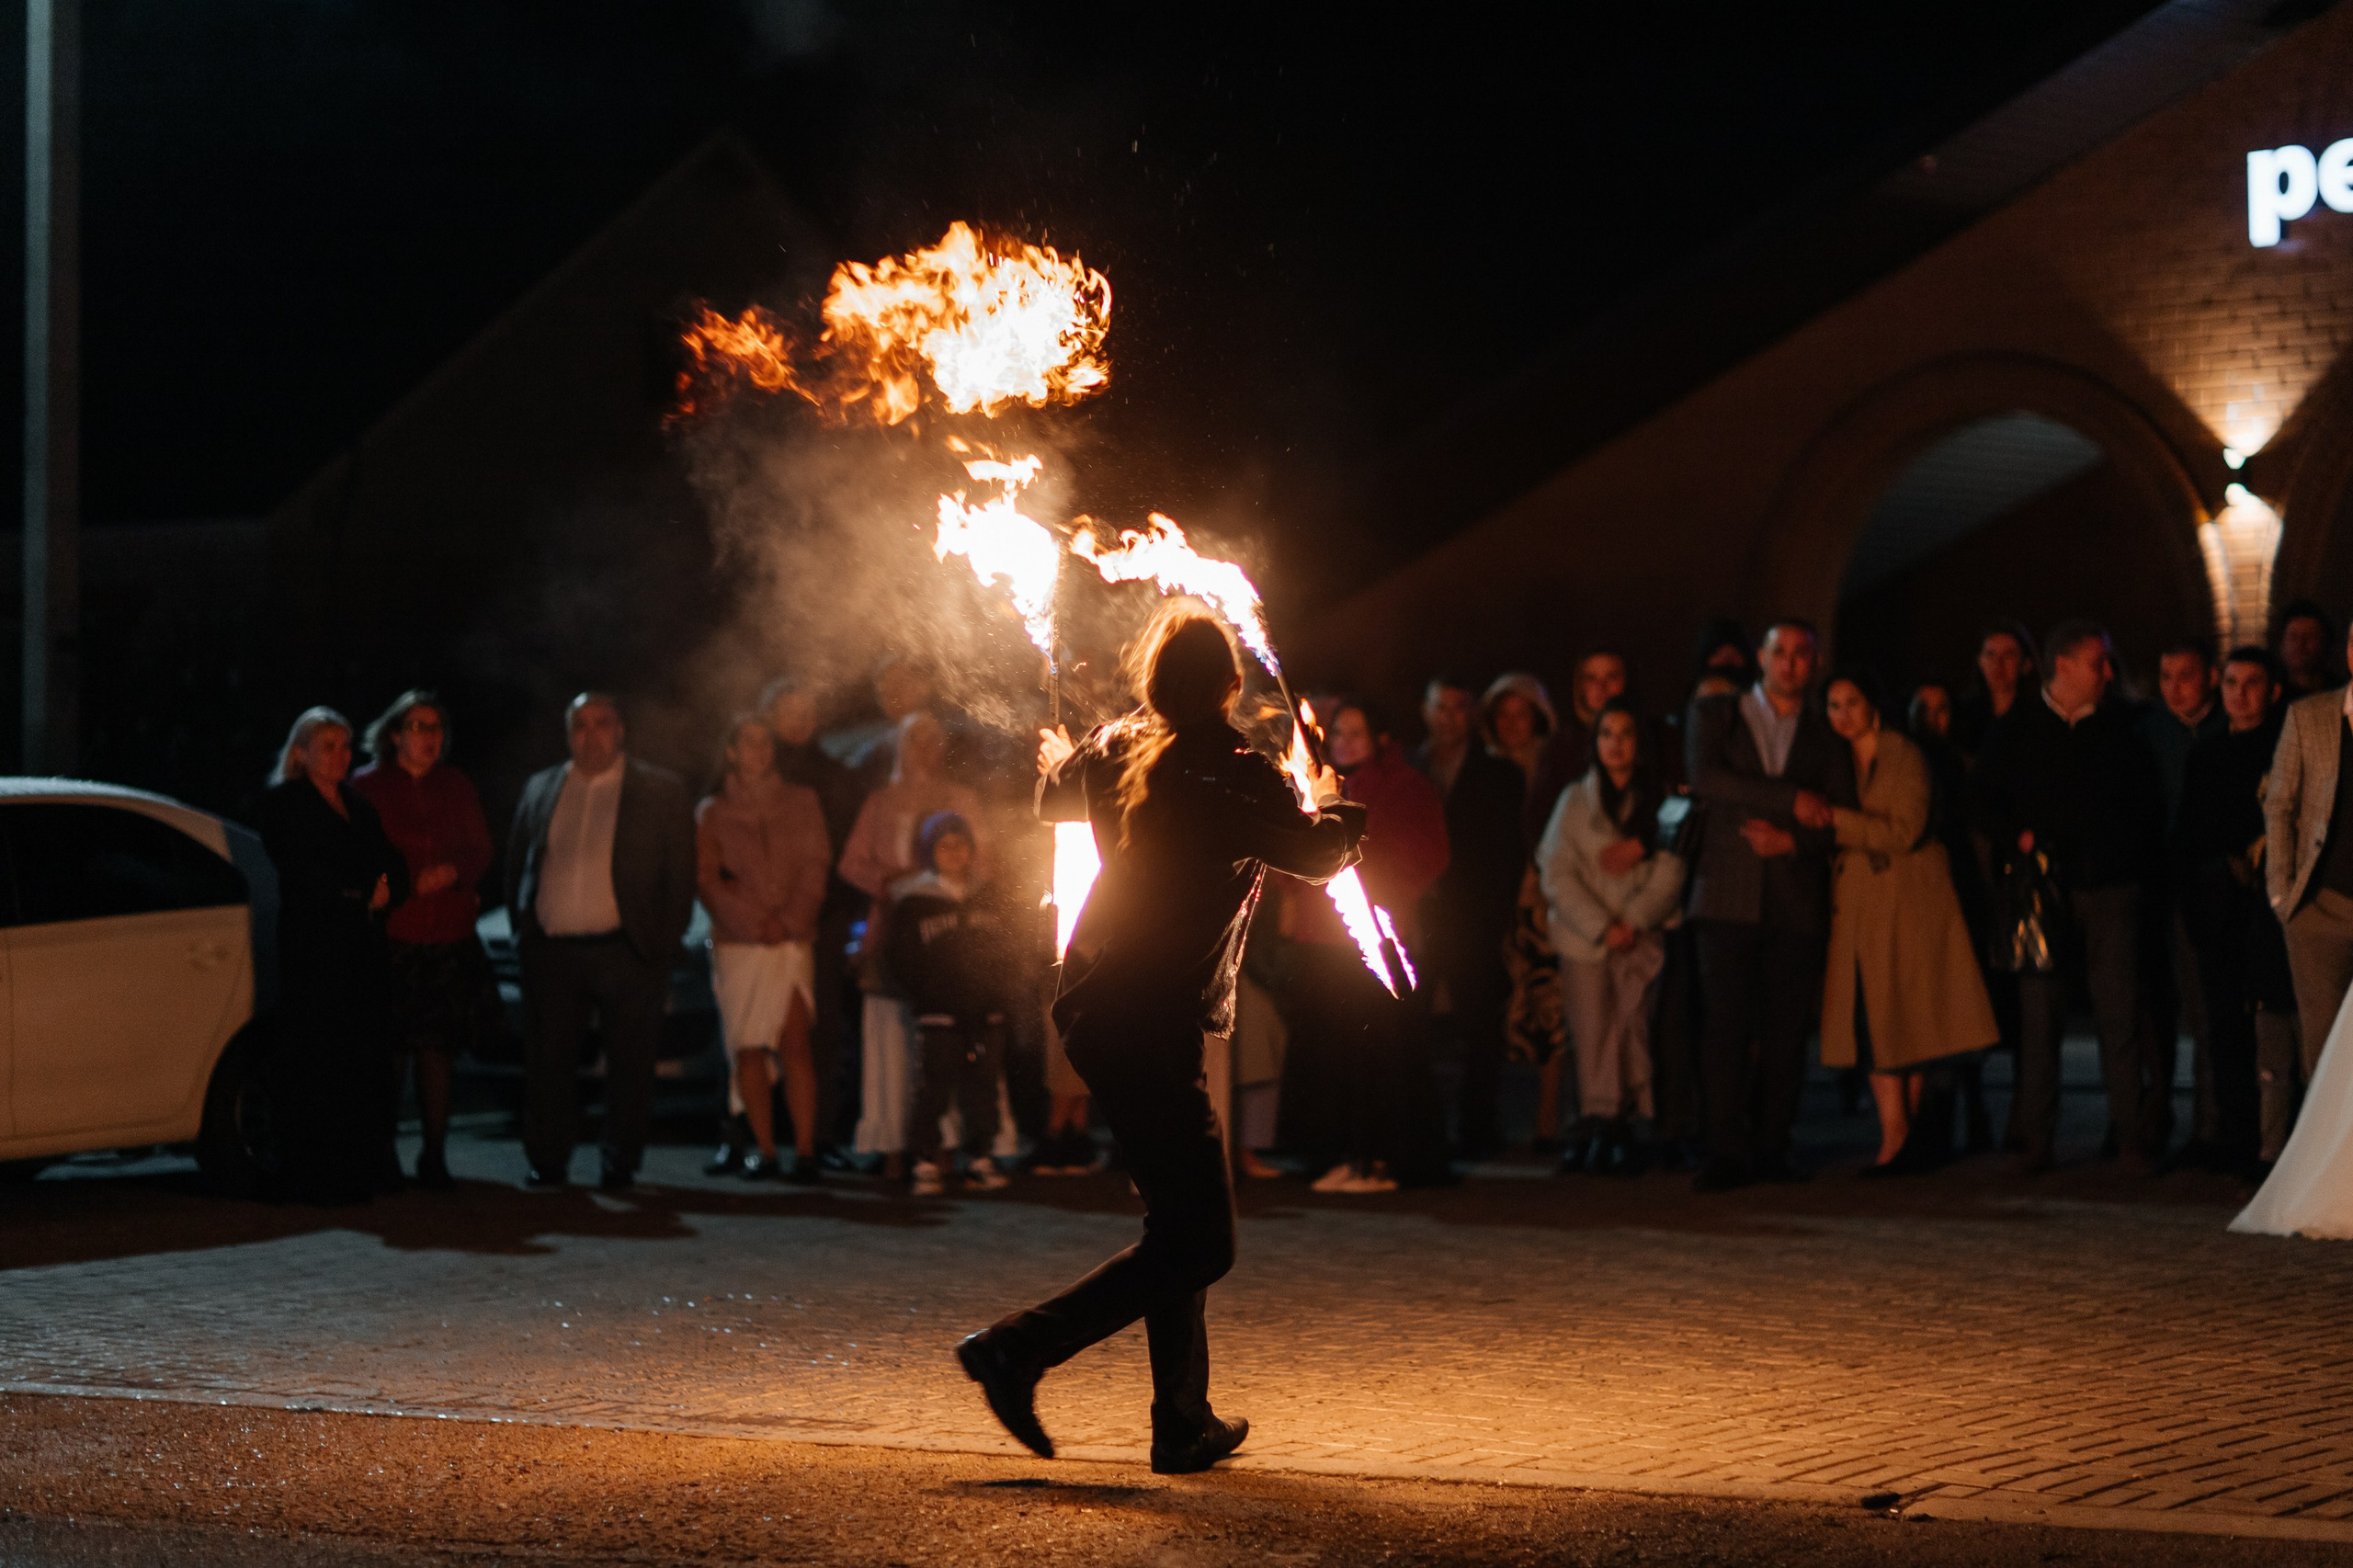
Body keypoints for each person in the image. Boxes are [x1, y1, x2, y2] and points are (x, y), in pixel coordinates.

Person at [956, 608, 1364, 1475]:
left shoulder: (1118, 751)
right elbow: (1322, 857)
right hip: (1144, 1017)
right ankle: (1015, 1349)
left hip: (1109, 1009)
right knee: (1202, 1240)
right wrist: (1330, 796)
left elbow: (1052, 796)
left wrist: (1074, 748)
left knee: (1176, 1218)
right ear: (1228, 687)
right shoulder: (1228, 771)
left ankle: (1182, 1420)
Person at [1974, 621, 2164, 1175]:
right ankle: (2036, 1136)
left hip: (2110, 889)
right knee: (2040, 1019)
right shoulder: (2020, 728)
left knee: (2119, 1014)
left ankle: (2131, 1137)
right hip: (2044, 892)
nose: (2108, 672)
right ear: (2062, 665)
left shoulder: (2121, 729)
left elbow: (2145, 809)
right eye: (2095, 662)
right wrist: (2019, 840)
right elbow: (1981, 799)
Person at [504, 692, 697, 1192]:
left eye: (601, 724)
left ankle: (619, 1162)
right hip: (553, 952)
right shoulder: (543, 786)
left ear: (621, 730)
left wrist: (661, 941)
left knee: (630, 1065)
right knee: (549, 1063)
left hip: (625, 951)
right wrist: (525, 931)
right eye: (580, 726)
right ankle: (547, 1161)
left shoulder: (658, 790)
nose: (591, 736)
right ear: (569, 733)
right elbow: (517, 864)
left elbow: (680, 874)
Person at [1683, 619, 1846, 1191]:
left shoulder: (1827, 733)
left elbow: (1837, 819)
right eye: (1782, 653)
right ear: (1761, 657)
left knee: (1784, 1033)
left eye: (1803, 654)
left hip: (1795, 897)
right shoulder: (1716, 715)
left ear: (1816, 663)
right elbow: (1705, 778)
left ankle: (1774, 1145)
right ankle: (1725, 1150)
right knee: (1724, 1029)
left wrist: (1793, 838)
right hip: (1726, 895)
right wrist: (1789, 799)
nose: (1791, 663)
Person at [1819, 669, 1999, 1172]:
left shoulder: (1902, 754)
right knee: (1877, 1018)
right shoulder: (1835, 760)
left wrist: (1834, 820)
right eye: (1833, 706)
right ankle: (1896, 1133)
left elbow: (1904, 829)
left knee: (1907, 1016)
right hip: (1862, 906)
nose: (1842, 715)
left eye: (1851, 702)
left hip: (1909, 903)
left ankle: (1904, 1134)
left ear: (1873, 704)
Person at [1279, 697, 1449, 1193]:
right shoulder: (1320, 786)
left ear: (1378, 738)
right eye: (1339, 732)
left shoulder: (1405, 788)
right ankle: (1338, 1152)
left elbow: (1425, 855)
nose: (1346, 741)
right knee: (1332, 1050)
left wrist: (1379, 887)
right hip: (1322, 941)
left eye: (1357, 732)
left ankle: (1379, 1157)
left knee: (1380, 1050)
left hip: (1374, 937)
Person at [348, 690, 495, 1192]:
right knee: (390, 1051)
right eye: (417, 727)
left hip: (447, 935)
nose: (428, 737)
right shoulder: (369, 787)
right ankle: (382, 1151)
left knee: (438, 1049)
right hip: (396, 935)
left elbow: (480, 848)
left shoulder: (455, 786)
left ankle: (435, 1155)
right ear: (394, 734)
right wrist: (411, 879)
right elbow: (360, 857)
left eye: (435, 728)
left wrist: (455, 873)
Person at [256, 707, 404, 1205]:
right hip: (316, 950)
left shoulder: (358, 807)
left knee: (359, 1057)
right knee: (315, 1056)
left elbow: (391, 862)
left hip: (361, 951)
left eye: (345, 747)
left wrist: (388, 889)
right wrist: (363, 891)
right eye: (328, 747)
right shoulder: (284, 804)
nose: (342, 757)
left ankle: (360, 1165)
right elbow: (304, 871)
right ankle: (311, 1171)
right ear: (302, 753)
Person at [1536, 697, 1685, 1175]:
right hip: (1587, 939)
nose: (1615, 745)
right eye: (1606, 734)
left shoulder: (1660, 800)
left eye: (1625, 734)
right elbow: (1556, 869)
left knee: (1634, 1026)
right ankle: (1598, 1121)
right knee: (1592, 1029)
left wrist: (1635, 921)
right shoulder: (1574, 800)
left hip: (1641, 935)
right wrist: (1602, 925)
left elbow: (1671, 867)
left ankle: (1636, 1120)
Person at [838, 710, 985, 1179]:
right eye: (914, 739)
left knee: (945, 1042)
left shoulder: (961, 798)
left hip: (948, 933)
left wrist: (942, 881)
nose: (924, 747)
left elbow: (986, 863)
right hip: (895, 929)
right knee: (891, 1038)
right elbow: (851, 863)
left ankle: (944, 1143)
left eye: (932, 738)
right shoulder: (882, 801)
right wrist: (897, 882)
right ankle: (893, 1143)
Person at [697, 713, 833, 1183]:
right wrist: (756, 922)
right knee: (749, 1046)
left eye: (765, 742)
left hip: (790, 942)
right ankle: (766, 1150)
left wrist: (790, 920)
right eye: (748, 743)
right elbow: (708, 881)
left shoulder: (802, 802)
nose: (760, 750)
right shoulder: (712, 812)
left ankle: (807, 1149)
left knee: (795, 1042)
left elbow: (816, 865)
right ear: (732, 751)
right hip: (741, 944)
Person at [2177, 648, 2293, 1175]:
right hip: (2219, 911)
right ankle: (2236, 1135)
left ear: (2272, 691)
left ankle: (2277, 1140)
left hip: (2270, 912)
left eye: (2252, 683)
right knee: (2223, 1025)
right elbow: (2189, 833)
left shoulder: (2285, 748)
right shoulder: (2205, 755)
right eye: (2230, 683)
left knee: (2275, 1024)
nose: (2239, 694)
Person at [1411, 676, 1528, 1158]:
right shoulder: (1408, 768)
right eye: (1441, 706)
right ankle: (1421, 1127)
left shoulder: (1499, 775)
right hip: (1417, 914)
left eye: (1459, 707)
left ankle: (1478, 1127)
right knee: (1409, 1023)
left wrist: (1493, 918)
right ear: (1426, 710)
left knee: (1480, 1027)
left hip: (1473, 917)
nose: (1449, 717)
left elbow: (1506, 855)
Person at [761, 674, 867, 1162]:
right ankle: (745, 1134)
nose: (798, 721)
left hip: (822, 920)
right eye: (788, 711)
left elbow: (846, 850)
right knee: (751, 1026)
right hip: (757, 922)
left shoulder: (835, 776)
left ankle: (819, 1135)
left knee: (822, 1028)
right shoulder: (751, 769)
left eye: (806, 712)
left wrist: (823, 911)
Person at [888, 812, 1015, 1196]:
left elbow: (1008, 951)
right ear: (930, 852)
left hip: (984, 1009)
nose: (955, 852)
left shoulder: (990, 897)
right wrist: (926, 994)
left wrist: (998, 992)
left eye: (962, 844)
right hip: (938, 1011)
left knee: (983, 1086)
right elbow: (902, 958)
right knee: (934, 1085)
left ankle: (979, 1157)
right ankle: (925, 1160)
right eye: (945, 845)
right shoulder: (914, 902)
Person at [2137, 638, 2227, 1165]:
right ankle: (2154, 1117)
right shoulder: (2150, 735)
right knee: (2154, 1007)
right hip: (2158, 885)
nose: (2174, 687)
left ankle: (2210, 1125)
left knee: (2207, 1009)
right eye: (2166, 676)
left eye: (2185, 676)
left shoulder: (2223, 733)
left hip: (2210, 884)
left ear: (2209, 677)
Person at [2262, 611, 2353, 1115]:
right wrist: (2282, 892)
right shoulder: (2310, 716)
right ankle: (2327, 1177)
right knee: (2322, 1054)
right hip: (2319, 906)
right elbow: (2279, 804)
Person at [1529, 650, 1632, 833]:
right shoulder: (1562, 746)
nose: (1601, 687)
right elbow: (1540, 817)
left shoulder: (1654, 738)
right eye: (1591, 678)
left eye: (1612, 677)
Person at [1951, 622, 2037, 761]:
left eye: (2009, 655)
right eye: (1990, 654)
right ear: (1980, 662)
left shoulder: (2038, 717)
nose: (1998, 663)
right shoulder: (1962, 716)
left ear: (2026, 664)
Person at [2277, 599, 2338, 699]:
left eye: (2310, 636)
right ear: (2281, 644)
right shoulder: (2271, 695)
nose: (2300, 644)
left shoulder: (2339, 694)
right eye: (2293, 637)